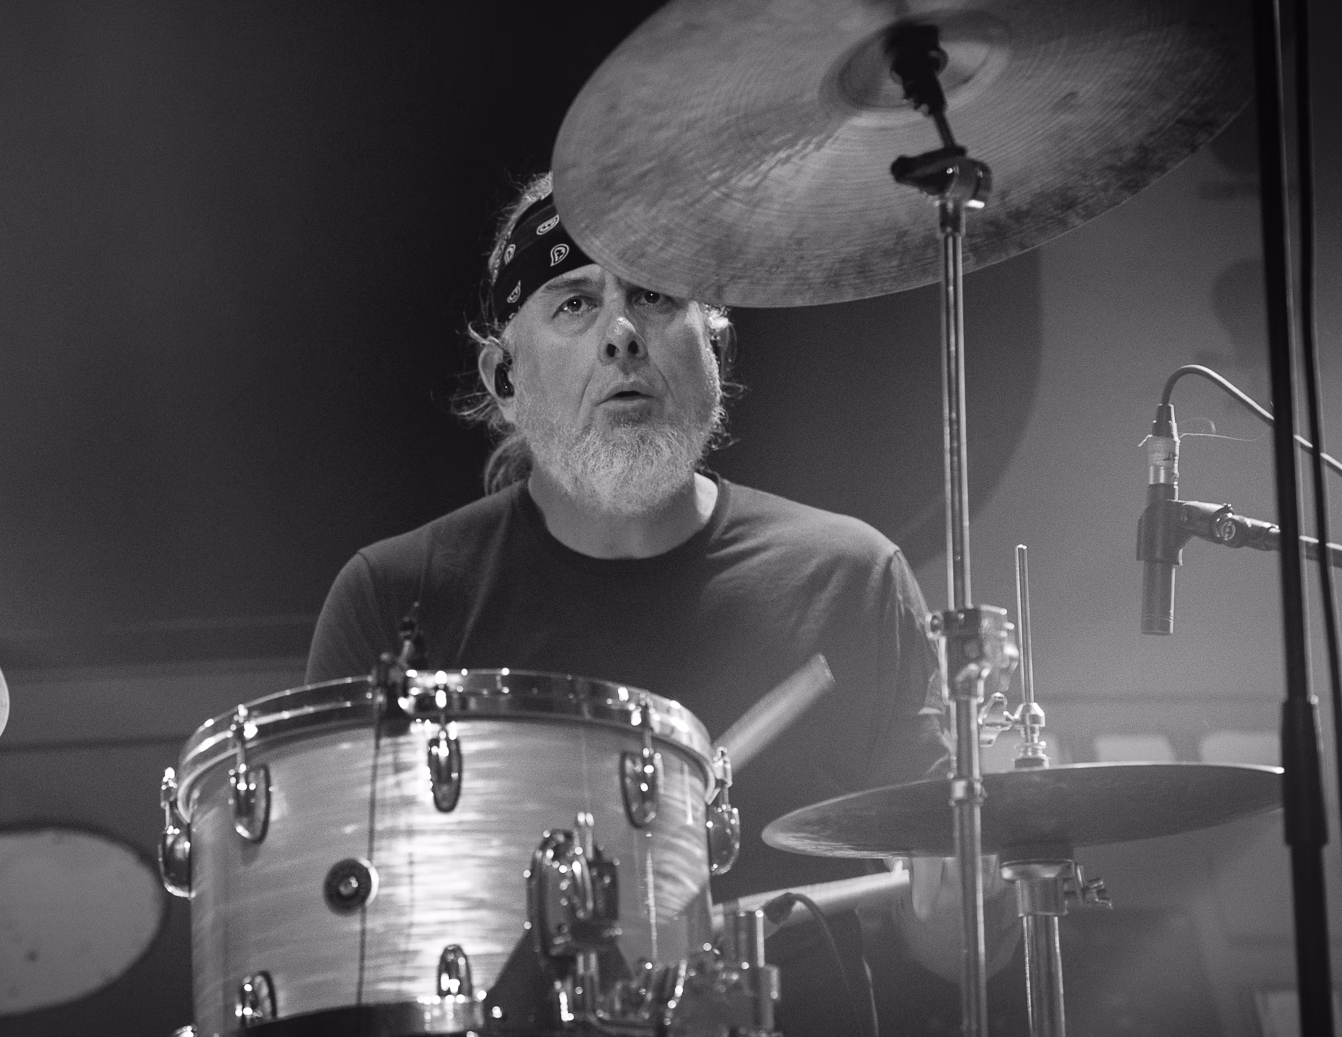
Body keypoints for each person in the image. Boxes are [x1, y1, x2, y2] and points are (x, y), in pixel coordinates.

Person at [305, 173, 1008, 1033]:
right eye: (574, 304)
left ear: (714, 344)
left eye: (654, 295)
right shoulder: (395, 596)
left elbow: (953, 951)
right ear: (505, 378)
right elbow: (330, 943)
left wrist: (974, 905)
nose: (622, 335)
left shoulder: (850, 576)